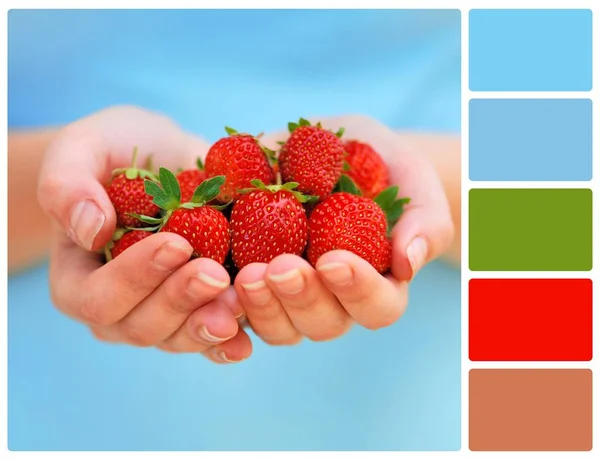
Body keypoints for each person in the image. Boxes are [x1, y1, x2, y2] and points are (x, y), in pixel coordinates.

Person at [8, 9, 462, 451]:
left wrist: (425, 183)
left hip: (408, 416)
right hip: (53, 414)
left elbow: (533, 212)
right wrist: (64, 191)